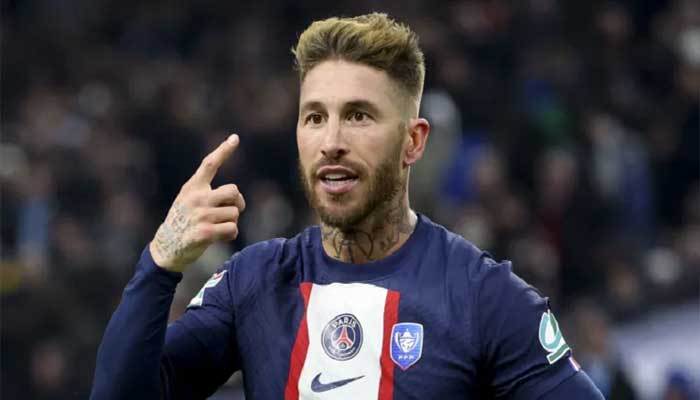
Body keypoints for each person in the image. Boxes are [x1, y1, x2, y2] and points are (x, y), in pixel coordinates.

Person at [90, 13, 603, 399]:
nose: (331, 142)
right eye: (315, 118)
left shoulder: (484, 298)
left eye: (358, 116)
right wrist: (159, 264)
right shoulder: (254, 282)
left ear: (413, 141)